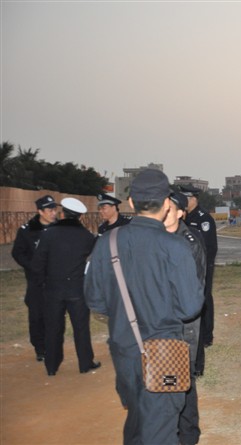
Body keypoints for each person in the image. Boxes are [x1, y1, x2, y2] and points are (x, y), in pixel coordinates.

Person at [84, 169, 204, 445]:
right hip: (164, 353)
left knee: (137, 420)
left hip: (124, 350)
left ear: (130, 203)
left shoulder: (106, 242)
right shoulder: (176, 247)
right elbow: (189, 308)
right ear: (166, 204)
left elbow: (96, 300)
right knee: (160, 428)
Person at [32, 197, 98, 376]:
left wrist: (43, 282)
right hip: (77, 288)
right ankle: (85, 363)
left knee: (53, 328)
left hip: (53, 289)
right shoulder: (87, 236)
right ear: (80, 217)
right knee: (81, 328)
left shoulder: (48, 234)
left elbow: (38, 263)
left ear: (62, 214)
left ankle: (51, 366)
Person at [165, 192, 206, 445]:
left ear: (181, 213)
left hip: (184, 320)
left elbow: (192, 288)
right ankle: (170, 429)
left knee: (183, 377)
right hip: (163, 319)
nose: (164, 211)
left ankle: (188, 434)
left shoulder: (189, 242)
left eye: (170, 208)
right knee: (164, 376)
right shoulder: (157, 238)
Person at [11, 194, 58, 362]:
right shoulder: (27, 230)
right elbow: (17, 253)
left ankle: (53, 346)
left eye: (54, 209)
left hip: (56, 281)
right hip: (36, 282)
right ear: (40, 211)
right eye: (49, 210)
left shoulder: (59, 228)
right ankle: (40, 348)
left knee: (55, 316)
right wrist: (32, 266)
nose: (53, 213)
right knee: (37, 316)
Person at [180, 184, 217, 361]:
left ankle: (207, 336)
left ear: (194, 199)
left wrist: (204, 269)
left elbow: (210, 248)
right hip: (184, 268)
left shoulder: (204, 219)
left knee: (204, 299)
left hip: (202, 267)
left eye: (186, 198)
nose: (184, 202)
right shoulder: (181, 217)